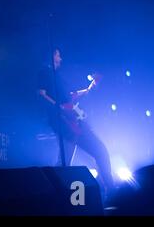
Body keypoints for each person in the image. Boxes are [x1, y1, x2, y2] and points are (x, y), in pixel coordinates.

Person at [38, 48, 114, 196]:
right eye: (58, 55)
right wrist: (60, 108)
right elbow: (41, 94)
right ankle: (53, 195)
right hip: (65, 123)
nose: (61, 59)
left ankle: (110, 190)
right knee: (67, 162)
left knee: (94, 152)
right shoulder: (44, 72)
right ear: (52, 56)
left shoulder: (57, 76)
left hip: (75, 122)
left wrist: (88, 88)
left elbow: (70, 97)